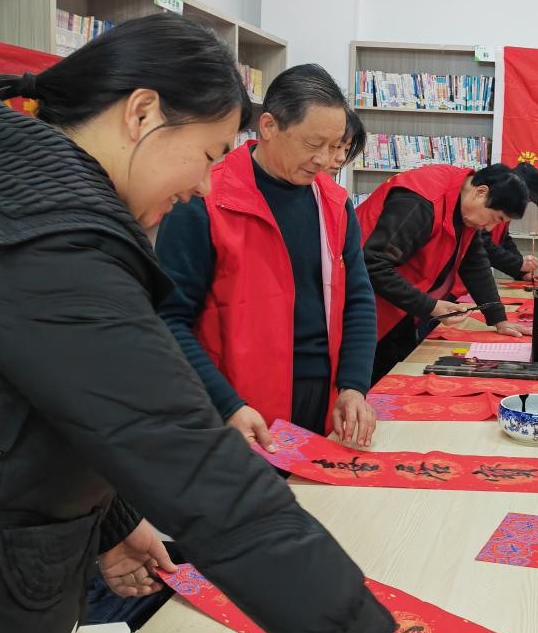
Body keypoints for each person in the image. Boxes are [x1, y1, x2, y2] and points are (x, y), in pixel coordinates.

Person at [0, 14, 497, 633]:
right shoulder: (49, 242)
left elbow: (47, 401)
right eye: (208, 153)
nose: (203, 184)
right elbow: (181, 451)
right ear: (141, 114)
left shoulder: (17, 200)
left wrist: (110, 517)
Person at [155, 64, 377, 450]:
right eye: (313, 144)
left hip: (323, 397)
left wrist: (354, 386)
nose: (325, 159)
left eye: (335, 146)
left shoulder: (334, 203)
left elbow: (358, 299)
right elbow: (168, 318)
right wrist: (227, 403)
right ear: (269, 126)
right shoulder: (205, 198)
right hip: (234, 405)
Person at [358, 163, 531, 382]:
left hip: (400, 304)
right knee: (370, 382)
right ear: (481, 192)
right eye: (495, 218)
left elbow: (474, 263)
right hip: (362, 304)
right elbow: (373, 264)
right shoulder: (421, 201)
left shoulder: (464, 206)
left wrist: (499, 319)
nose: (489, 228)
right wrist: (430, 306)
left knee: (402, 375)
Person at [481, 161, 538, 281]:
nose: (524, 204)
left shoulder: (507, 207)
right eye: (526, 199)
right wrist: (518, 264)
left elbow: (504, 240)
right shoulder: (487, 202)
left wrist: (522, 272)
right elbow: (482, 244)